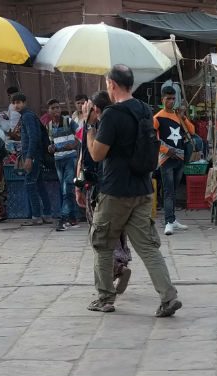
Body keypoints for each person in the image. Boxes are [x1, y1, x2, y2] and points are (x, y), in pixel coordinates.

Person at [83, 64, 181, 317]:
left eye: (107, 83)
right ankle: (168, 297)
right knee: (147, 247)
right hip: (143, 187)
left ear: (112, 85)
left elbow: (97, 154)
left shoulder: (112, 115)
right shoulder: (144, 109)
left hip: (116, 190)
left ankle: (104, 297)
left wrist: (90, 127)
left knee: (103, 244)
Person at [76, 91, 132, 295]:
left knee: (99, 238)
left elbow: (88, 157)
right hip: (119, 190)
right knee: (117, 233)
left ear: (95, 110)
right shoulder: (117, 124)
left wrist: (79, 186)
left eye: (89, 107)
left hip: (98, 190)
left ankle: (111, 279)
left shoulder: (96, 128)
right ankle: (118, 270)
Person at [11, 92, 57, 229]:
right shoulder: (27, 116)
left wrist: (29, 157)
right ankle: (47, 214)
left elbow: (34, 137)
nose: (16, 105)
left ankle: (36, 216)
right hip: (34, 155)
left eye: (19, 102)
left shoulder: (28, 116)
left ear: (24, 103)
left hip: (33, 156)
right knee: (39, 184)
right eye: (14, 103)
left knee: (30, 184)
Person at [154, 86, 194, 236]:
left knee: (174, 190)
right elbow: (152, 139)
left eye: (173, 99)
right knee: (168, 191)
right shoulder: (157, 117)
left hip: (180, 156)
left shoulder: (178, 116)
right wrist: (166, 150)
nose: (171, 101)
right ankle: (168, 222)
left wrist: (183, 117)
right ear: (162, 99)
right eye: (168, 98)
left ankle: (172, 219)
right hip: (166, 159)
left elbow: (192, 131)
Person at [45, 99, 80, 229]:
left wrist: (75, 144)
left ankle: (63, 218)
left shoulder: (69, 121)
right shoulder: (49, 126)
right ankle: (73, 218)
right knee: (66, 189)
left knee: (67, 188)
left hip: (71, 158)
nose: (56, 110)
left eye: (58, 108)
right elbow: (51, 142)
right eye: (53, 108)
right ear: (49, 111)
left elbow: (81, 133)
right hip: (58, 159)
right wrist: (51, 148)